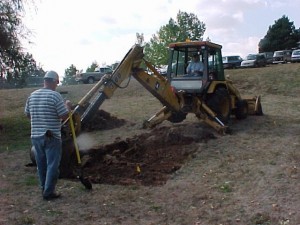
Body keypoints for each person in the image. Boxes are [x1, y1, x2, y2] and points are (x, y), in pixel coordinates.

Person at [25, 70, 71, 200]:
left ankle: (44, 189)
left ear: (44, 81)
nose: (57, 85)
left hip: (36, 136)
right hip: (51, 136)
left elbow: (28, 114)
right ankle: (49, 192)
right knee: (52, 165)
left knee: (41, 165)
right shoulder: (55, 96)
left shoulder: (32, 95)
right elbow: (64, 116)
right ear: (54, 82)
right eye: (57, 82)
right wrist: (67, 106)